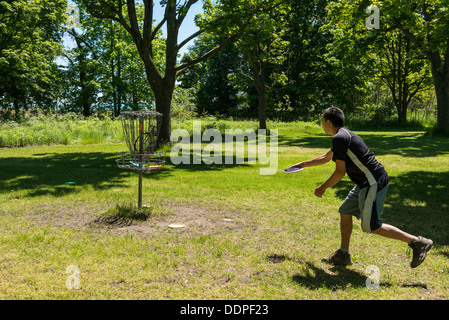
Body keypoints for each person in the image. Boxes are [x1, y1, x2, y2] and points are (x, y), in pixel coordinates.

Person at [289, 107, 433, 268]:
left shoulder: (340, 138)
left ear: (329, 121)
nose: (322, 123)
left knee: (372, 227)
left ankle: (417, 242)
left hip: (373, 182)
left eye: (323, 120)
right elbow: (326, 157)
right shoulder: (343, 135)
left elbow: (340, 172)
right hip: (365, 182)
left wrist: (322, 187)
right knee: (345, 211)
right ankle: (343, 254)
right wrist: (302, 164)